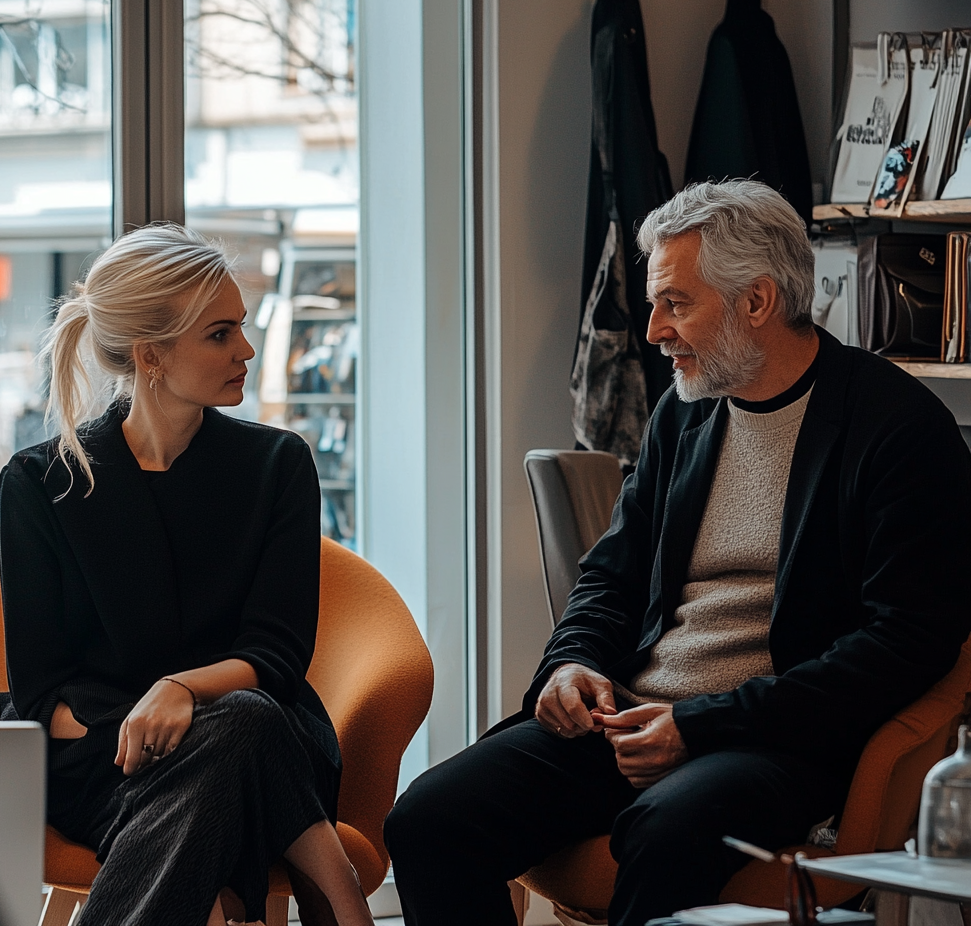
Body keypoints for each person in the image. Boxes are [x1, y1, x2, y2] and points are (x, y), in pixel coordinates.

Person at [385, 180, 971, 925]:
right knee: (429, 818)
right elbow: (611, 574)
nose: (655, 329)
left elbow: (904, 642)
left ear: (756, 302)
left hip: (775, 742)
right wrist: (573, 662)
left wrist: (701, 726)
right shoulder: (685, 412)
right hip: (632, 717)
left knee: (663, 833)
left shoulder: (897, 429)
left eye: (676, 303)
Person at [0, 224, 373, 926]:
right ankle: (337, 883)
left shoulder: (278, 465)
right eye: (221, 333)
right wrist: (149, 723)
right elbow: (41, 688)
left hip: (269, 733)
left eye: (242, 328)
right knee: (236, 741)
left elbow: (279, 658)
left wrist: (181, 690)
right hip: (104, 754)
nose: (248, 351)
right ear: (151, 355)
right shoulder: (38, 481)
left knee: (248, 724)